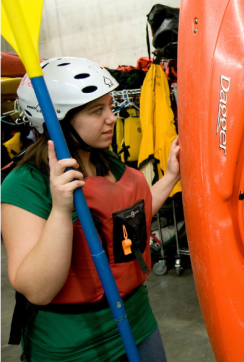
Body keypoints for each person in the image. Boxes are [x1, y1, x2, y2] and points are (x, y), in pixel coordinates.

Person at [1, 57, 180, 362]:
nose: (112, 118)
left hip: (137, 322)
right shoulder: (24, 184)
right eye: (97, 111)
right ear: (57, 121)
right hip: (74, 345)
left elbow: (129, 220)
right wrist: (60, 210)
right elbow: (37, 290)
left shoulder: (106, 161)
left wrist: (172, 176)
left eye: (110, 107)